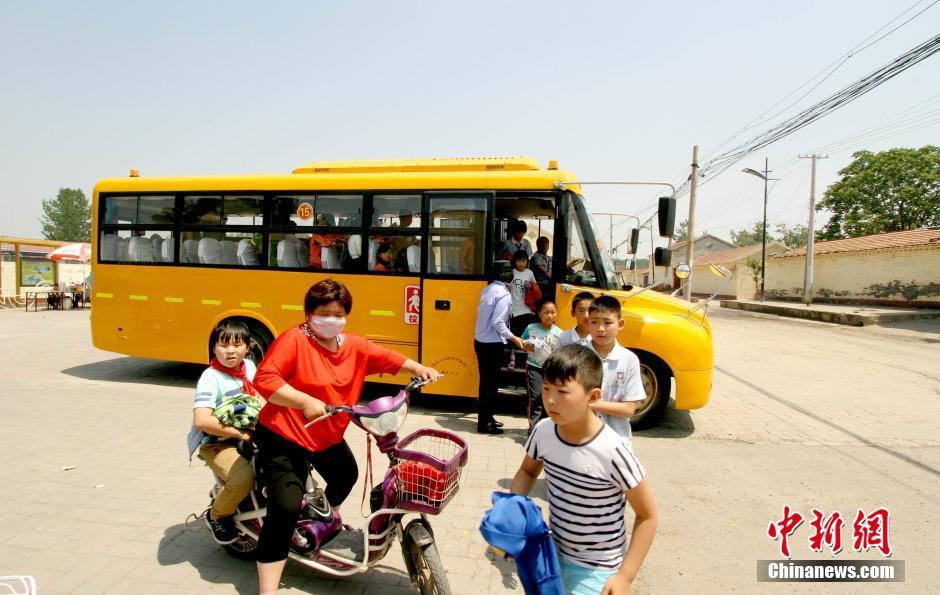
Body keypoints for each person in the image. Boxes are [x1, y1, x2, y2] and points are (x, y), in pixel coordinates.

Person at [251, 279, 440, 594]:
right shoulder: (293, 340)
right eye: (324, 312)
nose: (332, 319)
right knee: (284, 510)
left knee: (346, 476)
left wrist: (419, 368)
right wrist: (304, 401)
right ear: (309, 313)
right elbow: (265, 378)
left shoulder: (352, 344)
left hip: (325, 433)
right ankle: (267, 589)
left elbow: (387, 358)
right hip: (285, 434)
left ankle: (320, 524)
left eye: (339, 313)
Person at [510, 345, 657, 595]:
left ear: (593, 396)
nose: (551, 399)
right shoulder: (544, 431)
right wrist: (514, 510)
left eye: (563, 391)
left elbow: (648, 515)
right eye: (546, 388)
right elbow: (527, 471)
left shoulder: (613, 450)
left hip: (597, 570)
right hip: (552, 556)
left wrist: (625, 577)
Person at [186, 320, 265, 545]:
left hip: (249, 433)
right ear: (214, 348)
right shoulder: (211, 378)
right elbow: (202, 420)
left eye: (237, 344)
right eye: (223, 345)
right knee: (243, 479)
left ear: (247, 347)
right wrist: (240, 435)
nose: (231, 350)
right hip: (219, 442)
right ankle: (217, 515)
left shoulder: (248, 367)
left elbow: (259, 396)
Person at [474, 262, 527, 435]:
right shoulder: (503, 294)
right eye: (509, 272)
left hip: (481, 342)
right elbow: (498, 322)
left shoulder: (488, 289)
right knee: (490, 386)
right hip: (492, 344)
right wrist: (514, 338)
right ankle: (485, 425)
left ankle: (487, 418)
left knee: (486, 384)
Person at [588, 296, 646, 443]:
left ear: (620, 324)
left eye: (607, 322)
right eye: (594, 322)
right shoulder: (576, 354)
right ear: (587, 322)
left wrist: (591, 404)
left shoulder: (629, 359)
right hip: (581, 437)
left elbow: (628, 409)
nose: (600, 329)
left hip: (616, 439)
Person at [521, 299, 563, 432]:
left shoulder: (560, 333)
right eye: (546, 313)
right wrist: (527, 345)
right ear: (539, 313)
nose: (550, 316)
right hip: (534, 367)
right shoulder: (531, 328)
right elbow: (523, 343)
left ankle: (546, 429)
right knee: (536, 398)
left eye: (553, 312)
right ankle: (533, 430)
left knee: (549, 399)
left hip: (551, 369)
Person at [508, 250, 539, 369]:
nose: (521, 263)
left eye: (524, 261)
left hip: (527, 308)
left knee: (528, 334)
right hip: (514, 308)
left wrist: (530, 286)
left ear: (527, 261)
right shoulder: (512, 272)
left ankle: (528, 360)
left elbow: (536, 290)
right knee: (514, 334)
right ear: (514, 262)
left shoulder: (530, 273)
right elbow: (507, 289)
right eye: (518, 261)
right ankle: (512, 358)